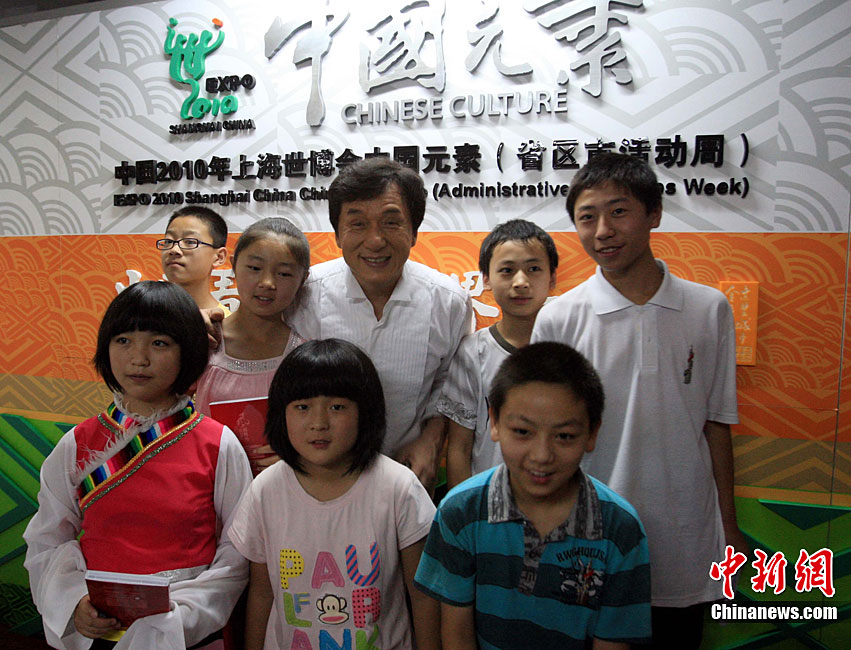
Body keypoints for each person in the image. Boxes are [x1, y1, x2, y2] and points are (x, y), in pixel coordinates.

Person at [532, 153, 744, 649]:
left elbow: (717, 424)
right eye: (587, 217)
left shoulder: (708, 309)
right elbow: (544, 441)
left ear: (655, 214)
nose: (602, 230)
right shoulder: (560, 318)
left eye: (619, 211)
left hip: (685, 536)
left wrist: (728, 531)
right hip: (586, 535)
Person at [23, 281, 252, 650]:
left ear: (189, 352)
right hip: (99, 630)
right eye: (123, 340)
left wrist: (185, 615)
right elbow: (47, 540)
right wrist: (74, 603)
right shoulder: (77, 444)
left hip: (185, 631)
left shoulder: (218, 444)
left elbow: (237, 549)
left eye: (159, 343)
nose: (138, 358)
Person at [415, 342, 651, 649]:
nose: (541, 455)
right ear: (494, 422)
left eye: (564, 436)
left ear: (592, 433)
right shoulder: (461, 512)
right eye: (523, 432)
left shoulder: (621, 529)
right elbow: (457, 633)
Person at [228, 338, 439, 650]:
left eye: (337, 407)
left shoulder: (398, 487)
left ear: (365, 412)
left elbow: (422, 595)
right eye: (302, 407)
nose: (319, 423)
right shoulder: (266, 490)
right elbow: (262, 592)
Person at [287, 158, 472, 490]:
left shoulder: (449, 301)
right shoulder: (303, 295)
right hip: (316, 479)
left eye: (391, 222)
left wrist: (431, 440)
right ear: (338, 234)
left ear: (414, 232)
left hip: (409, 478)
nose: (375, 240)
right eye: (357, 224)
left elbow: (450, 384)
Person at [438, 219, 558, 489]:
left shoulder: (569, 349)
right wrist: (463, 508)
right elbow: (459, 448)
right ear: (487, 279)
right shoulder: (472, 353)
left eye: (534, 269)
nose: (520, 282)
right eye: (507, 270)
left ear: (552, 278)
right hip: (489, 500)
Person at [194, 217, 310, 474]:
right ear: (234, 266)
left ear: (303, 279)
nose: (267, 282)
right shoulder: (205, 342)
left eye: (284, 273)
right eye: (255, 268)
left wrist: (302, 457)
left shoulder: (306, 356)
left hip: (283, 486)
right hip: (208, 482)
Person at [158, 207, 230, 312]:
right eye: (168, 242)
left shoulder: (225, 321)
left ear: (219, 257)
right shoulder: (144, 315)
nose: (174, 250)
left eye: (190, 242)